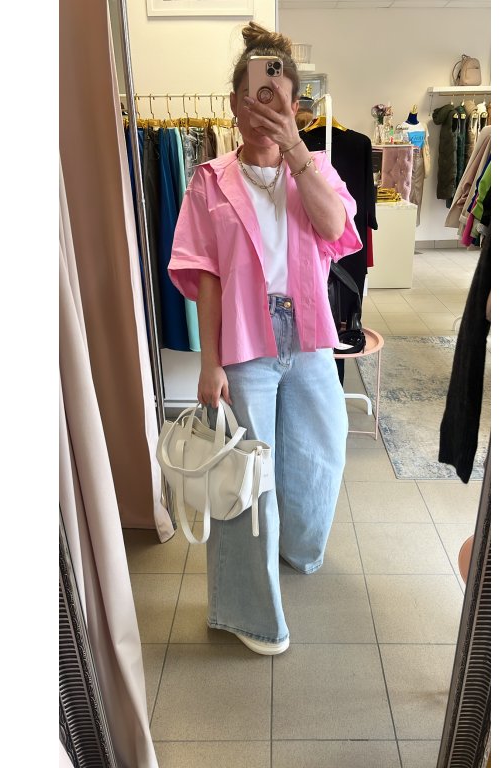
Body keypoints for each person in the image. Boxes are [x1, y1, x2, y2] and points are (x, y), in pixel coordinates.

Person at [168, 22, 362, 656]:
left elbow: (334, 229)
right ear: (234, 103)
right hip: (247, 345)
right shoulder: (209, 180)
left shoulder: (315, 169)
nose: (264, 109)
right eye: (254, 96)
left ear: (295, 104)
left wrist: (297, 150)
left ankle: (297, 549)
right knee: (248, 479)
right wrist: (210, 363)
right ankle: (250, 613)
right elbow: (207, 277)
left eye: (277, 97)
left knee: (321, 452)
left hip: (307, 339)